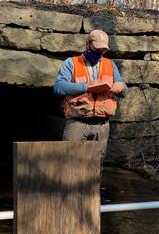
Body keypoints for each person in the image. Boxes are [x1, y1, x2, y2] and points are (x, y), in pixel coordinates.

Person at [53, 29, 128, 164]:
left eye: (103, 50)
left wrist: (121, 87)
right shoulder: (71, 63)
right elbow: (59, 87)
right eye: (96, 49)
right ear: (87, 44)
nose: (99, 53)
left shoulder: (110, 65)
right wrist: (86, 86)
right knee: (68, 163)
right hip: (77, 122)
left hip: (102, 124)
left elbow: (125, 90)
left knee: (96, 166)